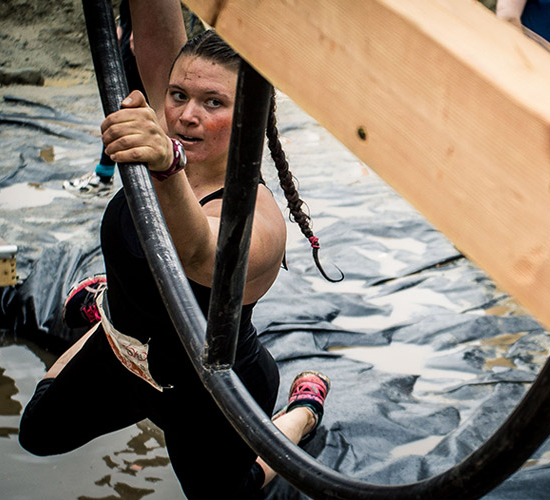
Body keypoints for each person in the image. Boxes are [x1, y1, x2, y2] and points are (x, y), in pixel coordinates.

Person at [19, 1, 332, 497]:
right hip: (125, 354)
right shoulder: (170, 124)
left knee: (234, 494)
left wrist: (167, 168)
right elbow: (153, 20)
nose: (187, 115)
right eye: (179, 94)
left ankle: (303, 412)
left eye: (214, 103)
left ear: (251, 111)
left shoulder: (260, 218)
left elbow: (199, 255)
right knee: (36, 433)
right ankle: (107, 309)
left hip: (210, 387)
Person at [63, 0, 145, 197]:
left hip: (141, 34)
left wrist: (142, 28)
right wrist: (123, 23)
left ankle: (107, 177)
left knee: (127, 107)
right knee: (123, 107)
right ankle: (106, 176)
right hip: (131, 29)